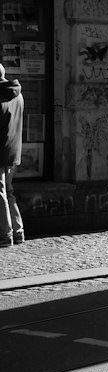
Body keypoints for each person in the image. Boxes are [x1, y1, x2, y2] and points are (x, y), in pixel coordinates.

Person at [0, 62, 25, 247]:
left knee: (0, 193)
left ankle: (5, 234)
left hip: (1, 151)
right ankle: (18, 232)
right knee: (8, 191)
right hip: (13, 151)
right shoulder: (18, 95)